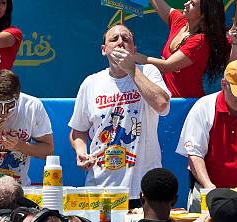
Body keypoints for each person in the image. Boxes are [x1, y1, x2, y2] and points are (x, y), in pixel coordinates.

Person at [69, 25, 171, 209]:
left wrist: (132, 70)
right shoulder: (91, 83)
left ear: (134, 49)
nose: (120, 42)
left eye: (126, 39)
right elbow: (78, 131)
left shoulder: (148, 72)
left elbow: (162, 105)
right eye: (114, 39)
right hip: (102, 187)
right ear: (104, 50)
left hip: (143, 188)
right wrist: (81, 152)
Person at [176, 59, 237, 212]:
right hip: (206, 192)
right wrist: (209, 188)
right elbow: (194, 154)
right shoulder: (202, 108)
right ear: (224, 84)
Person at [134, 0, 229, 97]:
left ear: (203, 14)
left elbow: (166, 66)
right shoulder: (179, 21)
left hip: (187, 104)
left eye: (192, 4)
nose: (186, 4)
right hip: (170, 102)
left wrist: (133, 56)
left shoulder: (200, 41)